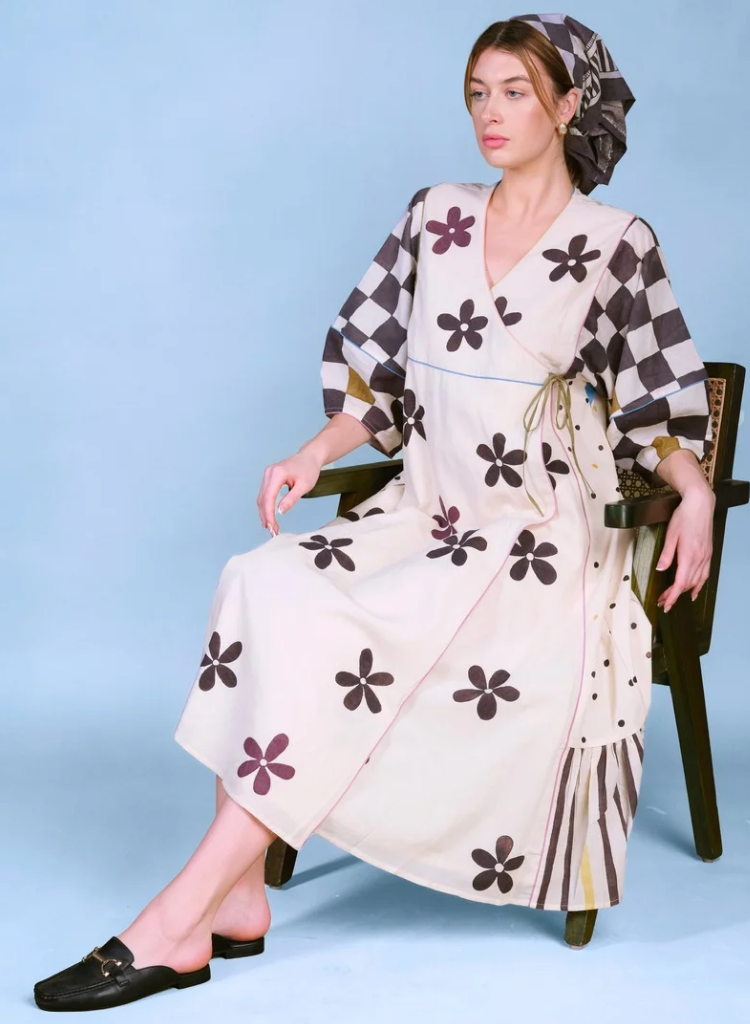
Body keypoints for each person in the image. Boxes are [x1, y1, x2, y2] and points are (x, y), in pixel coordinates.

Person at [33, 12, 716, 1012]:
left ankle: (177, 918)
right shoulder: (435, 216)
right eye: (477, 92)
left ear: (570, 105)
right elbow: (378, 379)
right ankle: (239, 904)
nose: (489, 113)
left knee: (382, 627)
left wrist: (694, 490)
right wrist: (312, 452)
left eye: (515, 92)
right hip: (425, 508)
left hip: (538, 533)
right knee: (261, 579)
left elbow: (657, 404)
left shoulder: (618, 245)